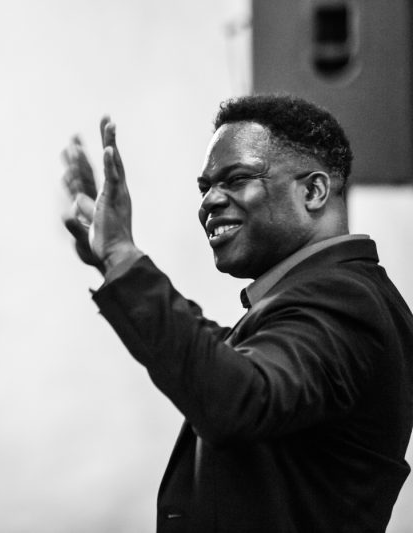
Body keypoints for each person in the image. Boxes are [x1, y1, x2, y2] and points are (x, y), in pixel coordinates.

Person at [61, 94, 413, 532]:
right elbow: (228, 360)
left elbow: (239, 397)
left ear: (313, 191)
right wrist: (113, 261)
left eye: (236, 178)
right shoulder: (332, 299)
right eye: (205, 186)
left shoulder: (345, 301)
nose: (209, 201)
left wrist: (121, 257)